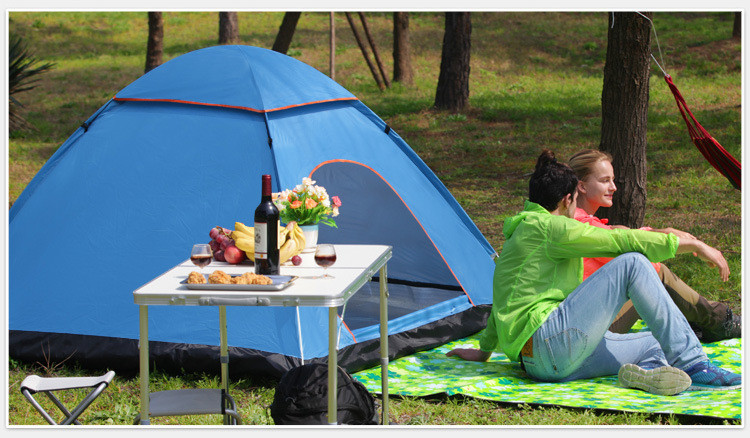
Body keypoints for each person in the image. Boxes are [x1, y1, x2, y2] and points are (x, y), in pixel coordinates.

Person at [447, 149, 740, 395]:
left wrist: (484, 350)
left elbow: (503, 299)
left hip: (542, 364)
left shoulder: (519, 235)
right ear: (567, 199)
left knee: (655, 343)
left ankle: (643, 374)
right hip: (552, 344)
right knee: (633, 262)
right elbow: (620, 241)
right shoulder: (553, 227)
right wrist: (692, 245)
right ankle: (695, 365)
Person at [569, 149, 740, 342]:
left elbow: (621, 233)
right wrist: (694, 245)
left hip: (582, 323)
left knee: (644, 272)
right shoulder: (581, 226)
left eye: (613, 179)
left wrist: (664, 231)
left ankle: (704, 319)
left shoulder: (576, 220)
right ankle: (719, 321)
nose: (614, 187)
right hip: (585, 333)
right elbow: (630, 245)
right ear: (582, 186)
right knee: (650, 272)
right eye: (604, 180)